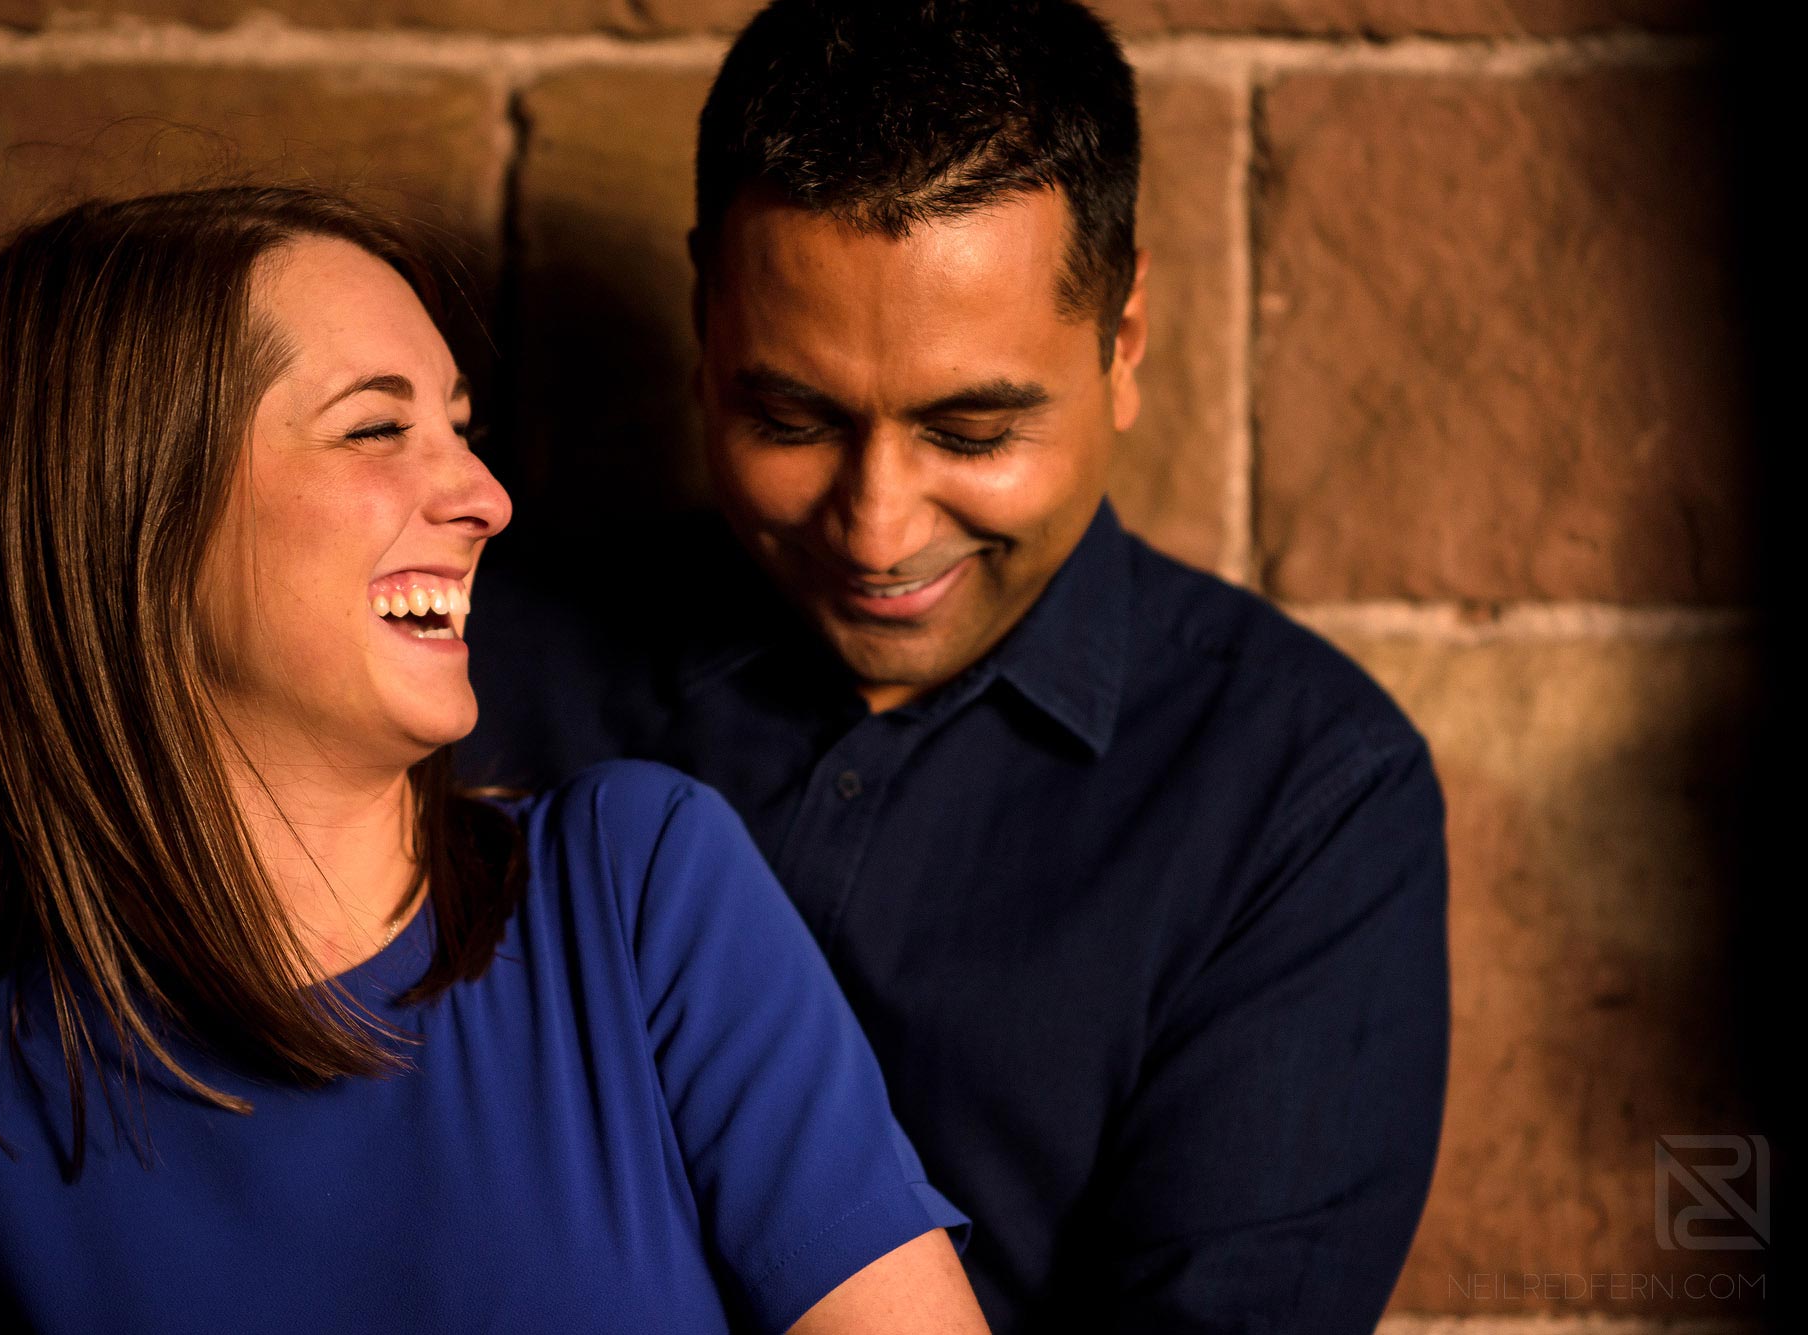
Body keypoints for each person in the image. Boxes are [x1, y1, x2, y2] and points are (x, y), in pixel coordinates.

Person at [0, 185, 991, 1334]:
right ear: (133, 519)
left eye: (460, 428)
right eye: (377, 428)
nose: (484, 498)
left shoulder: (635, 890)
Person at [456, 1, 1451, 1330]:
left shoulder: (1302, 793)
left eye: (973, 430)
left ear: (1125, 337)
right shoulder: (479, 667)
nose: (876, 529)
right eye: (790, 418)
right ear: (706, 321)